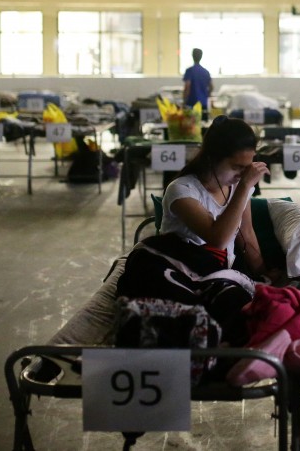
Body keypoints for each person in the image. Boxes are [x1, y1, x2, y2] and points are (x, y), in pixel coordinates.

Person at [116, 116, 270, 347]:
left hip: (217, 276)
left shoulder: (238, 188)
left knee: (247, 306)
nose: (242, 174)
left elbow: (246, 235)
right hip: (184, 270)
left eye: (247, 167)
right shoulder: (182, 190)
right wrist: (245, 188)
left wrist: (265, 277)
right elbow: (218, 238)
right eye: (237, 167)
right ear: (212, 158)